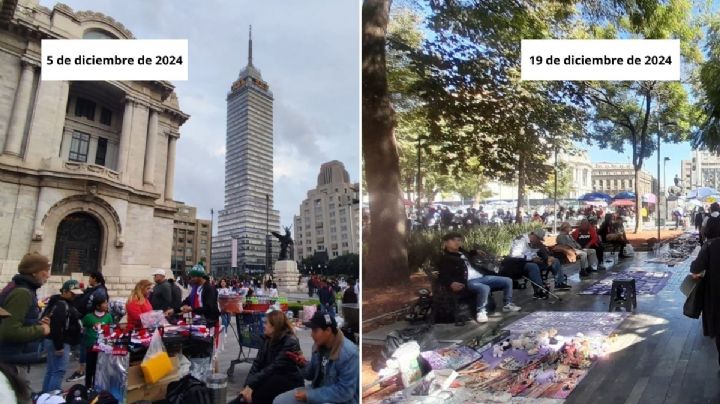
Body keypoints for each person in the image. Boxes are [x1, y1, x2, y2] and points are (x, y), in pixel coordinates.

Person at [275, 311, 358, 404]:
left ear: (328, 331)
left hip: (341, 400)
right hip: (317, 390)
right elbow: (310, 375)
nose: (311, 334)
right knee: (279, 401)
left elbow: (345, 392)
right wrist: (301, 364)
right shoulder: (318, 346)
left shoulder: (349, 353)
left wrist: (310, 395)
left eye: (315, 331)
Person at [438, 232, 521, 323]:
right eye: (453, 240)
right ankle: (481, 312)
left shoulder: (462, 251)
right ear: (446, 243)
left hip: (481, 276)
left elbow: (469, 253)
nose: (457, 242)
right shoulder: (445, 258)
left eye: (459, 240)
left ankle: (507, 304)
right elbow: (443, 275)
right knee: (484, 287)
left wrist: (476, 252)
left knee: (507, 280)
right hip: (468, 281)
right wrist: (451, 283)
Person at [229, 310, 304, 404]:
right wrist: (247, 386)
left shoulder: (290, 341)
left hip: (287, 380)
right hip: (272, 377)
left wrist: (251, 386)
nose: (263, 326)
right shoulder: (267, 339)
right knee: (244, 396)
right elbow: (257, 364)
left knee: (257, 394)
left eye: (266, 323)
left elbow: (274, 367)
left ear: (274, 326)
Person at [0, 252, 51, 364]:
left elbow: (19, 321)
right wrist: (42, 329)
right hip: (10, 360)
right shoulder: (22, 293)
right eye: (45, 271)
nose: (48, 275)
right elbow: (10, 331)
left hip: (14, 357)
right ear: (34, 272)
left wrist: (36, 323)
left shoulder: (24, 289)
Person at [41, 280, 83, 393]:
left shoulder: (58, 302)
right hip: (60, 341)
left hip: (54, 340)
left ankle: (45, 396)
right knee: (58, 371)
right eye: (72, 293)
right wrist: (59, 346)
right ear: (64, 291)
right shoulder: (61, 305)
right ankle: (52, 396)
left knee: (51, 370)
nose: (75, 296)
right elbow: (57, 327)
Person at [81, 298, 112, 389]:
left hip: (103, 347)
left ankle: (97, 387)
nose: (106, 305)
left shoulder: (108, 316)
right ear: (97, 306)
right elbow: (83, 327)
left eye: (107, 303)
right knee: (90, 367)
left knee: (100, 368)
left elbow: (110, 330)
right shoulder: (88, 317)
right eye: (104, 303)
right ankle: (87, 387)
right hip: (91, 346)